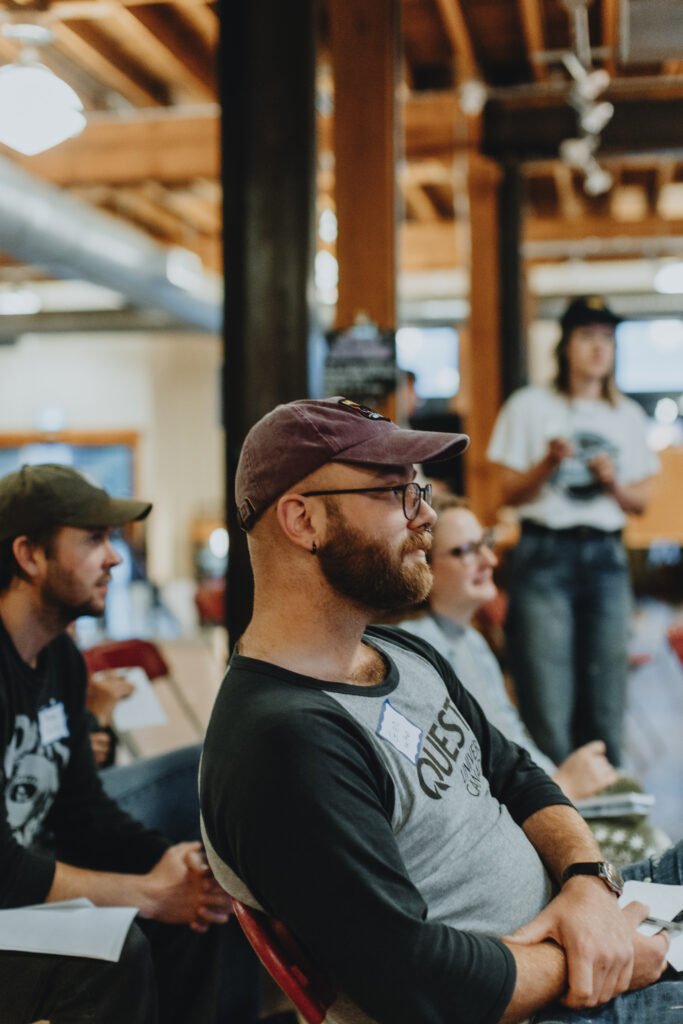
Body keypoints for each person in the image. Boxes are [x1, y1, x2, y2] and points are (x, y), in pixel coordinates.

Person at [199, 395, 682, 1024]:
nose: (426, 513)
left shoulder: (400, 652)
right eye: (393, 492)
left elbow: (516, 775)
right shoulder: (284, 740)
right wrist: (598, 958)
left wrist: (589, 884)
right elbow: (414, 980)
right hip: (546, 1002)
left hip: (579, 929)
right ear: (303, 520)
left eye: (418, 489)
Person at [0, 463, 259, 1024]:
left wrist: (174, 870)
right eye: (93, 539)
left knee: (202, 911)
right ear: (29, 555)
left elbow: (81, 811)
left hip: (21, 884)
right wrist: (148, 893)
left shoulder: (59, 659)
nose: (114, 558)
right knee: (117, 952)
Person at [394, 493, 667, 865]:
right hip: (507, 827)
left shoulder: (470, 640)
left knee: (627, 790)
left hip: (533, 797)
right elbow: (463, 776)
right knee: (653, 845)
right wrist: (561, 785)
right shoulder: (422, 648)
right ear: (423, 563)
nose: (490, 560)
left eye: (486, 543)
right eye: (466, 551)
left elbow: (512, 735)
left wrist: (557, 778)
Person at [487, 296, 658, 767]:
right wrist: (548, 463)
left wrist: (612, 483)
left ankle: (607, 798)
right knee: (547, 694)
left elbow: (640, 503)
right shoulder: (529, 405)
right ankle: (554, 802)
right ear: (566, 344)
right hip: (544, 553)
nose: (599, 347)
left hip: (607, 557)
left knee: (607, 691)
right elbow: (506, 492)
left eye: (607, 338)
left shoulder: (626, 415)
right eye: (588, 336)